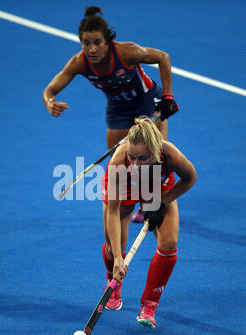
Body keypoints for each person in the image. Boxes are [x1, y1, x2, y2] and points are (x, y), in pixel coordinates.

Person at [42, 6, 179, 222]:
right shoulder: (79, 63)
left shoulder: (126, 52)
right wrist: (50, 103)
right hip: (118, 110)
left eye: (97, 42)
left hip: (147, 102)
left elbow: (163, 57)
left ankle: (152, 203)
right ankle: (128, 200)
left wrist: (168, 97)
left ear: (108, 41)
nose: (92, 49)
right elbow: (50, 90)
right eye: (86, 43)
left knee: (154, 157)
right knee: (120, 162)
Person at [101, 116, 196, 329]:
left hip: (157, 186)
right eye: (132, 157)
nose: (135, 164)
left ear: (154, 151)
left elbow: (190, 178)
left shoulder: (170, 154)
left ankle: (149, 305)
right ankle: (113, 280)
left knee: (169, 243)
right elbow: (113, 212)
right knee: (115, 242)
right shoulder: (119, 163)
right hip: (125, 185)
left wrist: (163, 201)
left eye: (142, 158)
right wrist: (118, 256)